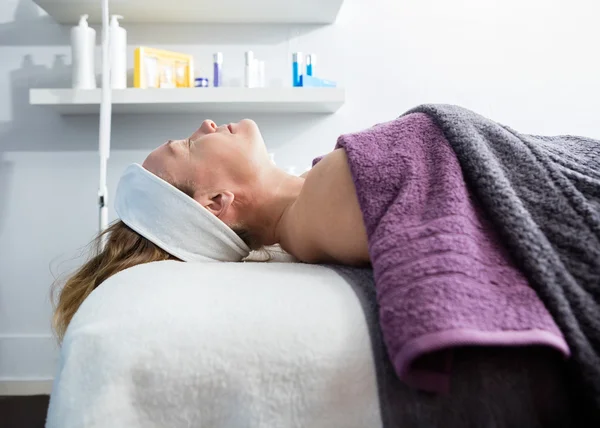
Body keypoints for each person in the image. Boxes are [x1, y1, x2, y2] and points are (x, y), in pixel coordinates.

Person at [53, 119, 369, 340]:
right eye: (190, 145)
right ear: (216, 202)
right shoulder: (330, 194)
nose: (206, 124)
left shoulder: (315, 189)